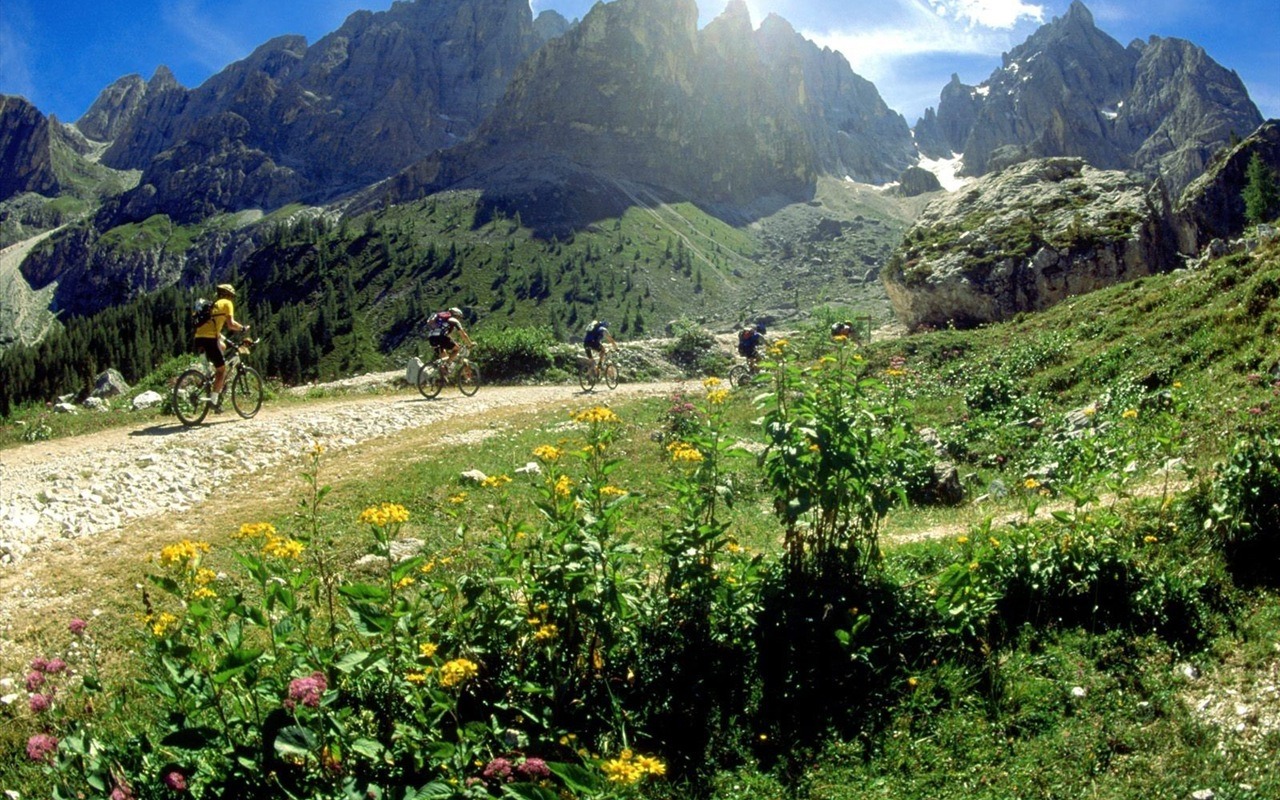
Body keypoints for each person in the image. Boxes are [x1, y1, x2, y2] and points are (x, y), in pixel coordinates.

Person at [193, 283, 249, 410]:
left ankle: (210, 378)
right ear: (229, 295)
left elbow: (214, 331)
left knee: (222, 347)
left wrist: (228, 341)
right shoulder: (227, 304)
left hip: (199, 338)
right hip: (210, 340)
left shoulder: (213, 306)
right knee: (222, 371)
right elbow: (231, 324)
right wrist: (243, 328)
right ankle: (213, 401)